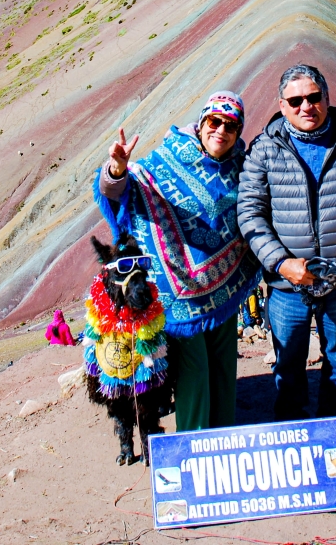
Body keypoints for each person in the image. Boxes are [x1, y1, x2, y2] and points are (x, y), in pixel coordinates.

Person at [95, 91, 261, 433]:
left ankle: (226, 442)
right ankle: (196, 450)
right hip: (176, 291)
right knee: (195, 374)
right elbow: (118, 192)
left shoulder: (243, 169)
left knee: (223, 372)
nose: (221, 131)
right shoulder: (166, 161)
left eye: (231, 125)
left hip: (224, 292)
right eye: (214, 121)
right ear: (201, 123)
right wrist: (116, 169)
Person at [238, 64, 336, 420]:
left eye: (313, 97)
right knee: (288, 367)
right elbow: (250, 214)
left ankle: (332, 437)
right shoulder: (265, 150)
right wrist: (281, 263)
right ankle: (294, 437)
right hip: (287, 286)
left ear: (327, 98)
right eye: (295, 100)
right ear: (282, 105)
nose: (305, 106)